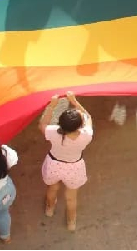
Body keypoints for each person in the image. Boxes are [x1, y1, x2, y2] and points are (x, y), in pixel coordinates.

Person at [39, 92, 93, 232]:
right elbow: (88, 116)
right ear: (80, 125)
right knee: (71, 197)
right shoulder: (86, 135)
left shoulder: (53, 132)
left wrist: (52, 106)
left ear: (60, 124)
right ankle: (71, 222)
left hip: (54, 164)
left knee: (52, 189)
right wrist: (74, 102)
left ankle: (49, 209)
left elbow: (42, 124)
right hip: (74, 168)